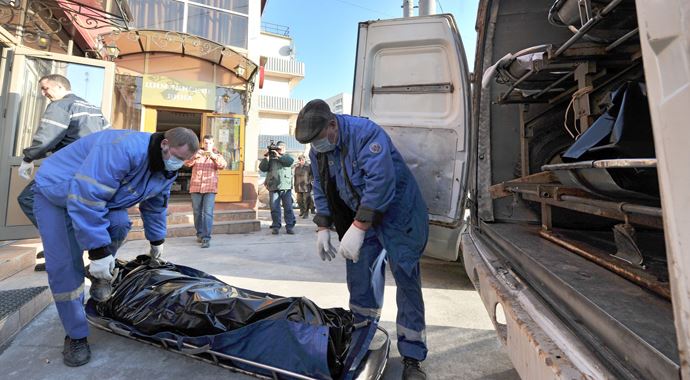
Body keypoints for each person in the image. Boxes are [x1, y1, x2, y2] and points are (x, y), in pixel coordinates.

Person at [32, 127, 198, 367]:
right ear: (164, 144)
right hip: (56, 194)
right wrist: (99, 252)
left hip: (100, 199)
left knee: (120, 223)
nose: (179, 164)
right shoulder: (123, 148)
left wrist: (157, 241)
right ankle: (76, 335)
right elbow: (87, 197)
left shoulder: (164, 169)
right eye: (178, 157)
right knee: (66, 268)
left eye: (185, 161)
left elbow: (155, 205)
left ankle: (100, 275)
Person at [295, 99, 429, 380]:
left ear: (332, 125)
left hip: (397, 214)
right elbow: (321, 185)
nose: (316, 146)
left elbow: (380, 181)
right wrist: (323, 226)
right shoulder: (319, 149)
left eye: (319, 139)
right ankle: (362, 344)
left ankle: (413, 357)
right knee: (360, 280)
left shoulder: (366, 133)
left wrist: (358, 227)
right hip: (360, 214)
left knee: (406, 279)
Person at [15, 74, 110, 270]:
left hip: (67, 168)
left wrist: (28, 158)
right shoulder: (91, 107)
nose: (43, 93)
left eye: (45, 88)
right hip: (90, 168)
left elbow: (47, 137)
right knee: (63, 207)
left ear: (59, 86)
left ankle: (60, 248)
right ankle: (61, 246)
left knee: (28, 199)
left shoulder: (61, 105)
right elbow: (108, 135)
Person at [185, 135, 227, 248]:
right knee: (197, 212)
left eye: (209, 143)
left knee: (207, 213)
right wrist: (195, 157)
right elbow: (187, 163)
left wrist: (213, 157)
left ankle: (206, 238)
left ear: (213, 143)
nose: (207, 145)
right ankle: (199, 233)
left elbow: (223, 165)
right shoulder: (197, 153)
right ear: (202, 143)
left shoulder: (217, 155)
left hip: (210, 188)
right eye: (205, 143)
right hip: (196, 187)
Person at [259, 141, 296, 235]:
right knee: (274, 208)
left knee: (288, 208)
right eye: (277, 148)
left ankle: (289, 226)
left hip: (285, 187)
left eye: (280, 148)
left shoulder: (288, 156)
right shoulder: (271, 158)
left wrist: (279, 155)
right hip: (273, 186)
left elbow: (289, 162)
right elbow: (263, 168)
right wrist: (266, 157)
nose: (278, 150)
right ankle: (276, 226)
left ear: (284, 149)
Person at [293, 154, 314, 219]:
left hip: (306, 185)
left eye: (302, 160)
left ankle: (306, 213)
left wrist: (309, 181)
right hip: (298, 185)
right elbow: (295, 176)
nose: (301, 161)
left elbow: (312, 175)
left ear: (304, 160)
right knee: (299, 200)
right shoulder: (297, 167)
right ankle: (302, 211)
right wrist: (295, 184)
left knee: (306, 200)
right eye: (300, 160)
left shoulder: (309, 166)